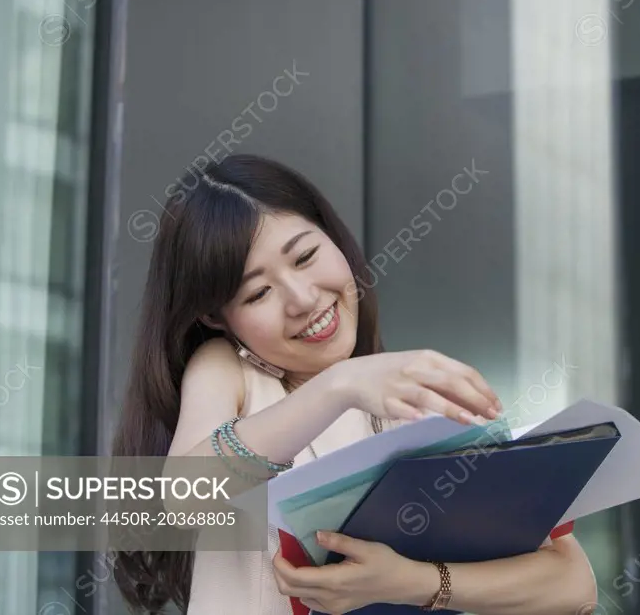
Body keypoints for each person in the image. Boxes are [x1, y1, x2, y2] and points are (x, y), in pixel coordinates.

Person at [110, 155, 599, 614]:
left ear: (333, 238)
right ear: (215, 317)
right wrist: (337, 385)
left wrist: (417, 582)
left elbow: (574, 584)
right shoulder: (229, 370)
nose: (301, 299)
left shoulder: (417, 403)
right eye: (258, 292)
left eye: (304, 257)